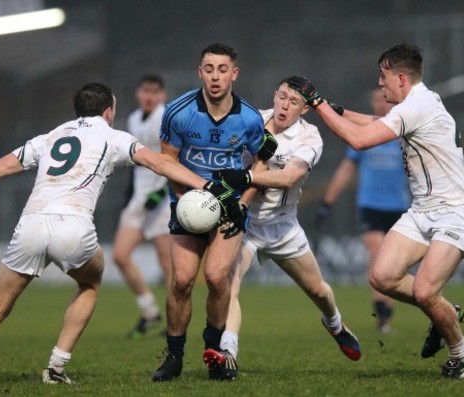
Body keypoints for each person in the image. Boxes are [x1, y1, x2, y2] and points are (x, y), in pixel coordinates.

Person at [0, 82, 236, 390]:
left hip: (31, 224)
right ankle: (56, 367)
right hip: (74, 227)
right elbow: (160, 163)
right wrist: (208, 186)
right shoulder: (113, 137)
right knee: (89, 284)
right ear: (109, 111)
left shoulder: (50, 137)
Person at [305, 43, 464, 379]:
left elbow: (359, 140)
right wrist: (328, 108)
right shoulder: (418, 102)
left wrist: (316, 103)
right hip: (423, 210)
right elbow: (374, 121)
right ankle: (447, 312)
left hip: (456, 211)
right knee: (381, 276)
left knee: (425, 291)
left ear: (401, 78)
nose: (380, 82)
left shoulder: (415, 107)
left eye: (384, 76)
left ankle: (463, 359)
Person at [213, 76, 362, 368]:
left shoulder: (310, 136)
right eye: (282, 96)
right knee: (227, 283)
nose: (284, 105)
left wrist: (247, 177)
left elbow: (289, 177)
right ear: (274, 94)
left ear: (304, 109)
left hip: (283, 227)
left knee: (318, 290)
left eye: (294, 101)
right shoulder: (251, 119)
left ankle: (335, 324)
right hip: (245, 223)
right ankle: (228, 352)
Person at [152, 43, 276, 382]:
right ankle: (174, 357)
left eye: (222, 69)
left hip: (230, 209)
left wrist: (243, 204)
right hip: (188, 207)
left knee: (217, 277)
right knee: (181, 281)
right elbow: (167, 162)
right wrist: (185, 204)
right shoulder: (178, 112)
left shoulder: (250, 118)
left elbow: (260, 163)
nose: (215, 76)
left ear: (234, 73)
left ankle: (215, 355)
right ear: (200, 72)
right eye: (209, 69)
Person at [317, 88, 410, 333]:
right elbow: (345, 170)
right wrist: (328, 202)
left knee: (393, 265)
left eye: (384, 99)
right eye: (376, 100)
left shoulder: (404, 133)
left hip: (399, 207)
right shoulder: (367, 135)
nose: (381, 104)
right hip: (370, 205)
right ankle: (383, 313)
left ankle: (389, 308)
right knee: (378, 257)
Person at [112, 75, 171, 338]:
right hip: (139, 199)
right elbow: (134, 164)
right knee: (120, 256)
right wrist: (129, 195)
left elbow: (176, 159)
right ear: (138, 93)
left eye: (154, 91)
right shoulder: (134, 119)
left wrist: (161, 193)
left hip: (163, 201)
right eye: (145, 90)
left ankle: (174, 322)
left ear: (162, 96)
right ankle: (149, 312)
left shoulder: (166, 117)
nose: (149, 96)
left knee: (168, 265)